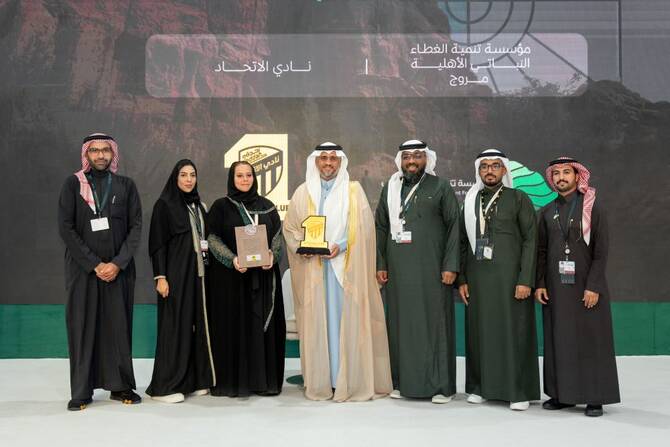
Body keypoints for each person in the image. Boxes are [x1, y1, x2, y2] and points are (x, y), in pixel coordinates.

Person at [283, 142, 392, 402]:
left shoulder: (353, 191)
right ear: (316, 162)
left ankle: (347, 380)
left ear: (341, 162)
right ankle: (323, 381)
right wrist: (301, 247)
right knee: (319, 325)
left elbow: (364, 229)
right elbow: (290, 228)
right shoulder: (302, 192)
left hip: (345, 271)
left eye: (333, 158)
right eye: (323, 158)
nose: (328, 163)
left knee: (345, 324)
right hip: (314, 271)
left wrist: (340, 246)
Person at [57, 133, 142, 411]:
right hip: (83, 271)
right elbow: (66, 228)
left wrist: (117, 264)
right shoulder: (73, 184)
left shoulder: (126, 186)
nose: (101, 155)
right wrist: (95, 264)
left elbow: (136, 227)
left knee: (118, 328)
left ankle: (121, 386)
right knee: (83, 328)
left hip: (120, 271)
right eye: (95, 150)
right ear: (87, 154)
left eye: (106, 150)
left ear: (113, 154)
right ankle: (82, 391)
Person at [375, 140, 460, 404]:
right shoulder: (390, 188)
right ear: (400, 160)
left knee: (434, 324)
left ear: (427, 159)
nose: (412, 161)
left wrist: (450, 265)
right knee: (401, 325)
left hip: (432, 269)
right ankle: (401, 382)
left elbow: (454, 227)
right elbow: (380, 227)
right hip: (398, 271)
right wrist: (381, 264)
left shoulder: (440, 187)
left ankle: (441, 387)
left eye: (417, 156)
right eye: (407, 157)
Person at [536, 157, 620, 417]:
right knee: (560, 340)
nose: (561, 177)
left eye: (566, 172)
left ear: (577, 176)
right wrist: (540, 283)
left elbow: (601, 252)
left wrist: (593, 286)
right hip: (556, 289)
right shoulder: (547, 211)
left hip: (586, 288)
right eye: (557, 173)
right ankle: (563, 395)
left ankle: (595, 397)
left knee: (591, 341)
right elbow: (541, 251)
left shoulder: (592, 207)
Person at [458, 148, 539, 411]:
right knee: (480, 332)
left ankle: (517, 391)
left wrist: (525, 279)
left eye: (495, 166)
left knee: (512, 332)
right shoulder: (471, 201)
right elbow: (462, 242)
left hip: (511, 279)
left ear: (504, 170)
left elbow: (531, 240)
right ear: (478, 171)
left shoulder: (518, 198)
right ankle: (480, 387)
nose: (489, 171)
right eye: (484, 167)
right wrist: (462, 279)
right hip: (478, 279)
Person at [207, 161, 286, 397]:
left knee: (261, 328)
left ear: (254, 178)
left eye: (248, 175)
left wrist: (272, 255)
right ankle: (235, 383)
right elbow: (212, 238)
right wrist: (231, 259)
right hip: (232, 281)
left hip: (263, 280)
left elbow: (278, 236)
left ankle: (264, 383)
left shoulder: (267, 206)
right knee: (236, 329)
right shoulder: (221, 207)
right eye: (239, 175)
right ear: (232, 178)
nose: (244, 180)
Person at [146, 159, 216, 403]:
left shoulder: (200, 206)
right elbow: (157, 245)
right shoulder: (164, 205)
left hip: (199, 278)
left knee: (196, 327)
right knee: (175, 328)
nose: (188, 179)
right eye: (183, 175)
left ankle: (193, 381)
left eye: (192, 175)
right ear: (175, 178)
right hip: (175, 277)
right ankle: (164, 387)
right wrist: (161, 277)